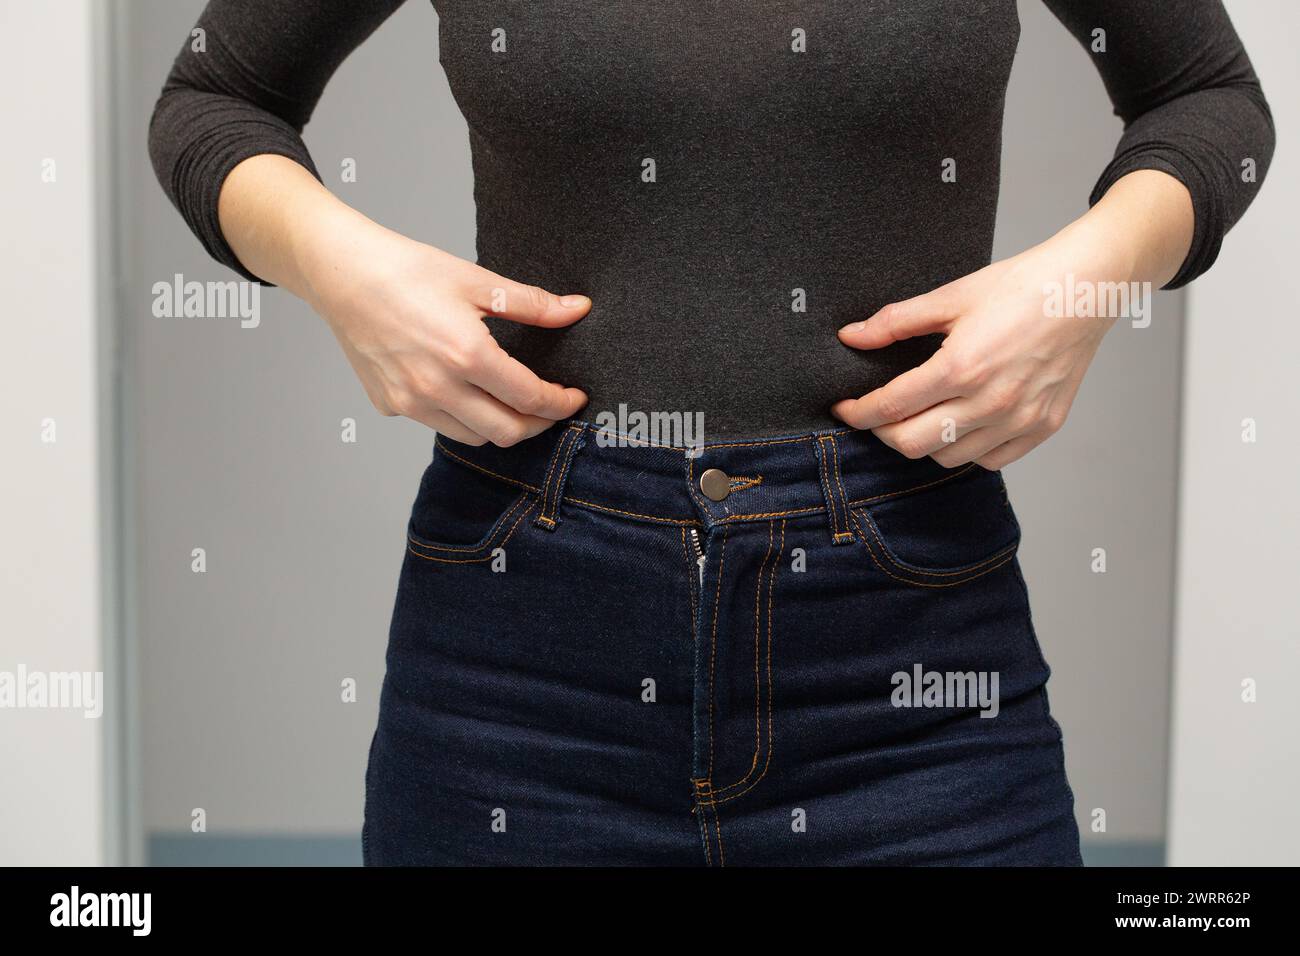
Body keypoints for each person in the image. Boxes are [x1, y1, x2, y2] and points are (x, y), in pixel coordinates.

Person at [149, 0, 1273, 865]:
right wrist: (346, 273)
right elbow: (212, 100)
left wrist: (1082, 286)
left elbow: (1209, 102)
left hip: (909, 654)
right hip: (522, 658)